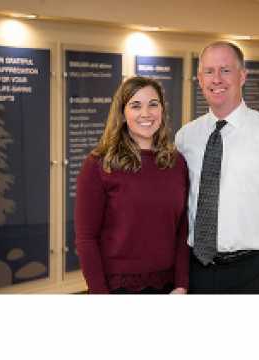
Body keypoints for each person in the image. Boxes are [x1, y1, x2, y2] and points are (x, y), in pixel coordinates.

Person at [175, 41, 259, 294]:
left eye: (225, 70)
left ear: (242, 76)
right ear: (199, 79)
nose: (217, 79)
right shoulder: (185, 137)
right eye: (209, 71)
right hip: (197, 271)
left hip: (253, 272)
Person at [75, 76, 189, 294]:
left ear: (162, 111)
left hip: (169, 287)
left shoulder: (176, 163)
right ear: (122, 113)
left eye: (153, 104)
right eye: (135, 106)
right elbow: (86, 239)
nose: (145, 113)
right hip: (117, 288)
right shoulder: (99, 164)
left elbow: (182, 230)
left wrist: (181, 284)